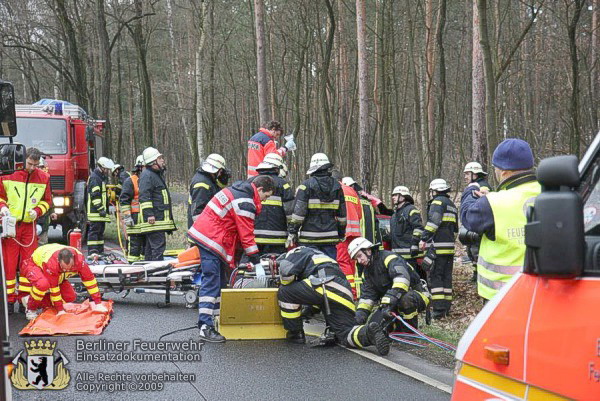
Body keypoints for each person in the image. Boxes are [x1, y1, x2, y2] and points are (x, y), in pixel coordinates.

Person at [188, 175, 275, 342]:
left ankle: (214, 320)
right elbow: (246, 234)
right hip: (211, 239)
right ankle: (205, 326)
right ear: (260, 189)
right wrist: (256, 260)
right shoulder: (245, 201)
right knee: (212, 280)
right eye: (266, 196)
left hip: (210, 236)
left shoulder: (239, 192)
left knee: (220, 281)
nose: (264, 201)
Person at [461, 139, 541, 300]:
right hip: (541, 291)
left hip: (501, 295)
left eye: (495, 168)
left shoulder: (492, 204)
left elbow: (467, 216)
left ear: (504, 171)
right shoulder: (551, 192)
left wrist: (470, 192)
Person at [276, 246, 390, 356]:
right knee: (345, 334)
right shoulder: (318, 255)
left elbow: (286, 275)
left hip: (323, 282)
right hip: (343, 291)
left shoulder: (294, 253)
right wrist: (308, 311)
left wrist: (282, 282)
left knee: (284, 291)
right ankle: (369, 333)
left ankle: (295, 333)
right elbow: (316, 297)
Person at [0, 147, 51, 313]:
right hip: (11, 225)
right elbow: (0, 197)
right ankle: (9, 301)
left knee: (28, 264)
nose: (32, 168)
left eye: (35, 165)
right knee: (9, 262)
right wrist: (2, 208)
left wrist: (37, 211)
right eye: (30, 163)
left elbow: (47, 202)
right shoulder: (8, 174)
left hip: (29, 227)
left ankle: (25, 298)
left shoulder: (44, 178)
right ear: (24, 160)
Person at [349, 237, 430, 331]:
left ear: (368, 251)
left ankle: (409, 333)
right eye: (356, 259)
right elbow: (366, 299)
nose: (359, 261)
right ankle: (395, 330)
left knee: (405, 299)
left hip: (416, 294)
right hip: (390, 302)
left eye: (359, 256)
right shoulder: (366, 274)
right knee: (374, 326)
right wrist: (358, 318)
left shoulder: (389, 258)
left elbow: (402, 280)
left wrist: (388, 300)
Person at [18, 244, 107, 320]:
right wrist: (60, 310)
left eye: (69, 268)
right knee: (43, 285)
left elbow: (90, 281)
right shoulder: (51, 263)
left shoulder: (80, 261)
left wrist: (98, 303)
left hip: (57, 273)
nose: (66, 270)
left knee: (70, 297)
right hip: (33, 265)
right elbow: (54, 289)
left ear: (74, 260)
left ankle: (36, 301)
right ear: (58, 261)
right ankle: (31, 309)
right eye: (63, 268)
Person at [287, 153, 346, 260]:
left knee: (309, 270)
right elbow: (342, 216)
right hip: (330, 238)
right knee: (329, 269)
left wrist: (293, 231)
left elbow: (298, 215)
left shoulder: (305, 186)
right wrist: (341, 233)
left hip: (309, 238)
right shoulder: (338, 187)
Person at [419, 178, 458, 319]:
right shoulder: (452, 205)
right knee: (446, 278)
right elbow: (455, 229)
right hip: (449, 247)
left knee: (436, 278)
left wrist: (424, 238)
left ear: (435, 191)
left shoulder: (437, 203)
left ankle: (439, 310)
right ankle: (446, 308)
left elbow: (433, 223)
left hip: (438, 247)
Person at [251, 153, 294, 255]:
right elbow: (290, 213)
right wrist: (293, 231)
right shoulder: (284, 185)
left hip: (253, 237)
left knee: (253, 268)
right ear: (277, 168)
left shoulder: (251, 182)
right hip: (277, 239)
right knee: (276, 267)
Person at [138, 147, 176, 261]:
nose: (162, 160)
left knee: (151, 249)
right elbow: (144, 196)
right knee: (158, 248)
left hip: (158, 220)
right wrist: (149, 214)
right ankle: (157, 275)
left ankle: (149, 273)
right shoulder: (147, 175)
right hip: (155, 221)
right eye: (160, 158)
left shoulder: (155, 175)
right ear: (153, 162)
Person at [461, 162, 492, 282]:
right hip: (476, 226)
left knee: (476, 252)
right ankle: (476, 274)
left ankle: (479, 276)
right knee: (472, 251)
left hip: (480, 227)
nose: (465, 176)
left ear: (475, 174)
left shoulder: (482, 187)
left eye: (467, 173)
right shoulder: (475, 186)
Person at [335, 176, 363, 297]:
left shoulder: (335, 190)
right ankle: (355, 293)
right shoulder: (351, 191)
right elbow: (360, 214)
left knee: (342, 261)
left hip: (342, 232)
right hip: (355, 233)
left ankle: (349, 293)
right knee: (352, 262)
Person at [389, 186, 425, 279]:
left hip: (409, 255)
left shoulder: (411, 210)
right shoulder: (394, 215)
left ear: (403, 196)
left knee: (412, 280)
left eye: (395, 195)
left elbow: (418, 228)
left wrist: (414, 244)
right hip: (397, 255)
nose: (393, 197)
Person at [187, 153, 228, 229]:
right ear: (216, 170)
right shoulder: (202, 184)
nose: (221, 174)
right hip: (201, 231)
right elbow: (198, 213)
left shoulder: (208, 180)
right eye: (221, 171)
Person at [86, 157, 114, 256]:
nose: (107, 171)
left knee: (100, 233)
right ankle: (93, 252)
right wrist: (101, 209)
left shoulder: (100, 178)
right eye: (106, 169)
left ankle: (100, 252)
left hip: (100, 213)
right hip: (95, 212)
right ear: (102, 167)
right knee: (94, 232)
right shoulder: (95, 178)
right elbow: (95, 196)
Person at [119, 155, 145, 262]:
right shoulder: (130, 181)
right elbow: (124, 200)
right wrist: (127, 216)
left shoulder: (148, 180)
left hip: (145, 221)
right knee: (134, 247)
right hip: (134, 220)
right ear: (139, 167)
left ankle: (144, 268)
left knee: (145, 248)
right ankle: (133, 269)